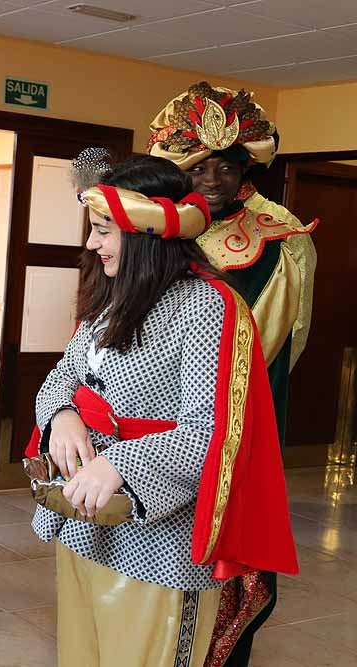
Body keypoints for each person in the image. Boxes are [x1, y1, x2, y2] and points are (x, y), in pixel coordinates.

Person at [28, 156, 297, 667]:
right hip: (86, 521)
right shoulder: (113, 297)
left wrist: (120, 464)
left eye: (104, 231)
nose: (91, 244)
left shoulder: (206, 306)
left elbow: (213, 430)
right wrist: (61, 414)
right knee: (84, 653)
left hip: (162, 541)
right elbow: (63, 376)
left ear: (145, 232)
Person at [148, 82, 318, 665]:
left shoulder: (277, 236)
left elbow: (270, 346)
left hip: (226, 416)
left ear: (247, 166)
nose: (214, 180)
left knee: (219, 569)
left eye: (226, 166)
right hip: (145, 418)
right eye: (200, 167)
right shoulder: (158, 221)